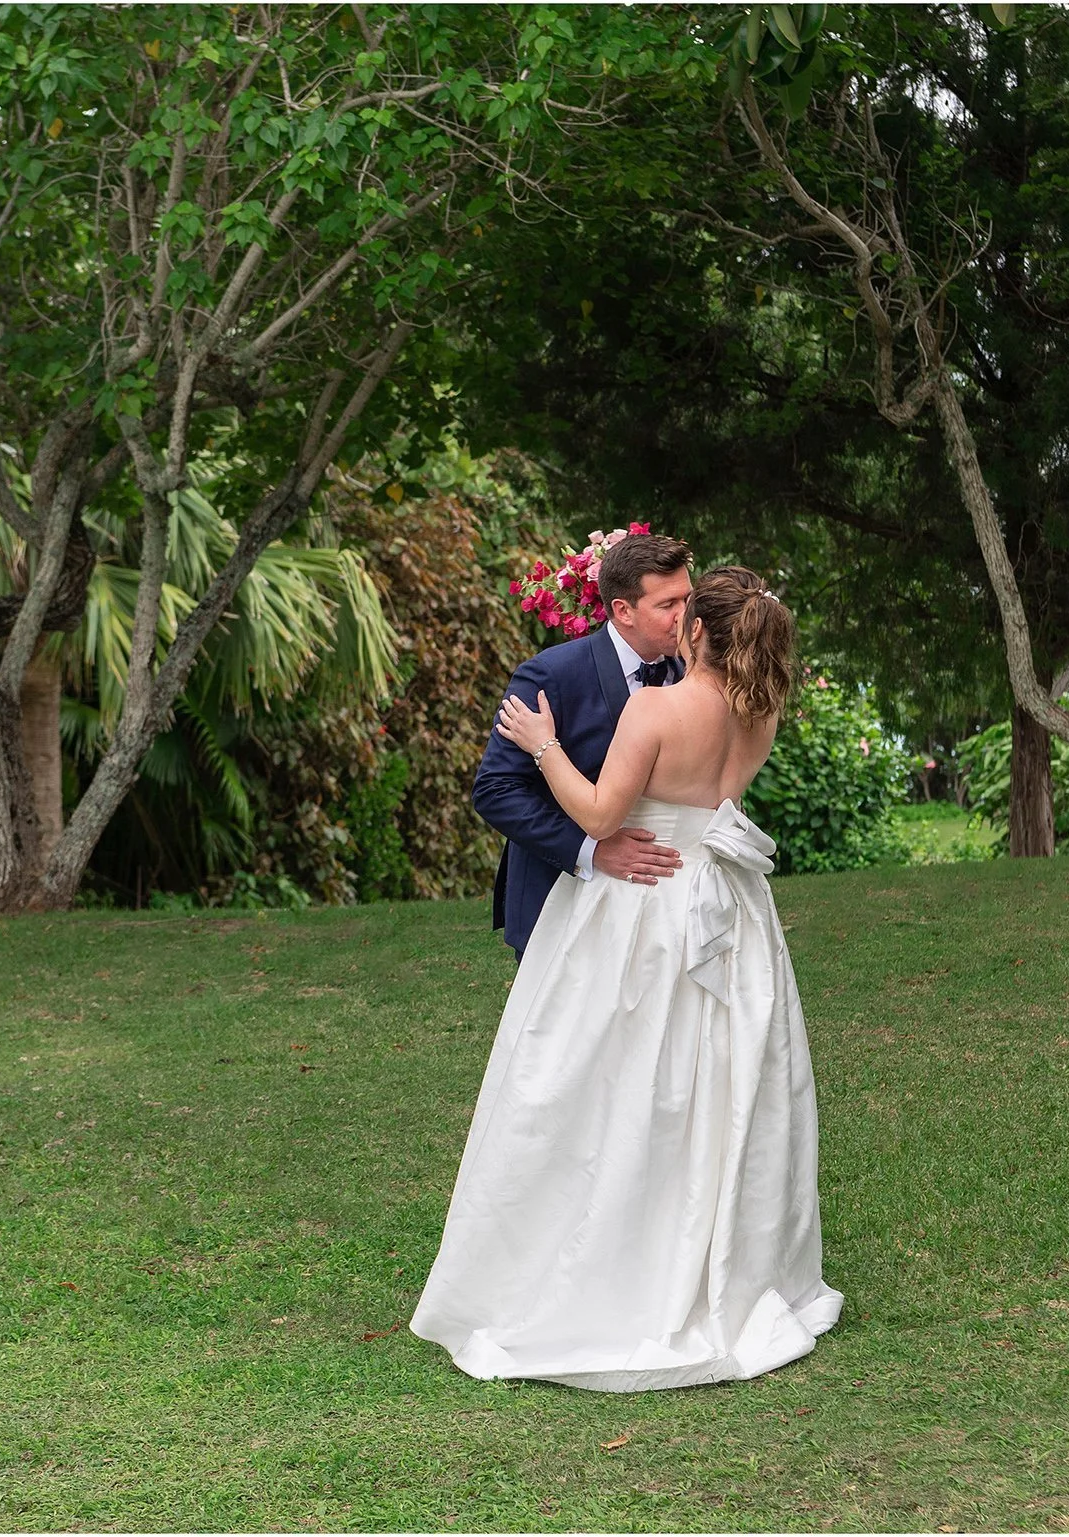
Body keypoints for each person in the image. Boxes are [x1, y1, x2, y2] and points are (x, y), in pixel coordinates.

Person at [411, 565, 842, 1392]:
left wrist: (543, 748)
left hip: (642, 907)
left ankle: (611, 1264)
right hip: (730, 916)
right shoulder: (761, 710)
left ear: (697, 633)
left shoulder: (656, 707)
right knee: (715, 1082)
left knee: (603, 1078)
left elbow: (604, 817)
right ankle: (713, 1253)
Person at [471, 534, 694, 959]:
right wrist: (592, 851)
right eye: (668, 606)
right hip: (562, 892)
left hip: (664, 904)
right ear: (622, 611)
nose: (684, 617)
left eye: (687, 599)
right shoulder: (549, 676)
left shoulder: (692, 673)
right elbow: (495, 791)